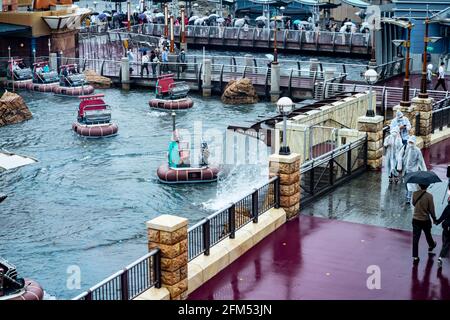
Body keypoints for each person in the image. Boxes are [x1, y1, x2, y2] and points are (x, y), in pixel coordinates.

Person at [411, 184, 437, 264]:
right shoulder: (429, 196)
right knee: (427, 234)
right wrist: (434, 218)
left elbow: (413, 203)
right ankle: (431, 245)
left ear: (419, 185)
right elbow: (431, 209)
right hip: (425, 219)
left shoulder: (415, 194)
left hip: (415, 219)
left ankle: (415, 257)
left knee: (415, 238)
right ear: (427, 186)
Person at [398, 136, 427, 204]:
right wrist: (400, 166)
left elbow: (421, 161)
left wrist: (424, 170)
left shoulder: (417, 150)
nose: (410, 143)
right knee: (406, 183)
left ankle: (408, 198)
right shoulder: (405, 148)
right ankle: (408, 195)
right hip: (405, 170)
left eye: (412, 142)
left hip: (412, 171)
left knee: (410, 184)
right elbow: (399, 156)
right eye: (409, 142)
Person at [435, 188, 450, 268]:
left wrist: (437, 221)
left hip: (446, 225)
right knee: (448, 242)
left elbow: (443, 216)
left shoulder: (448, 207)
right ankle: (441, 256)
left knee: (445, 237)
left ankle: (443, 248)